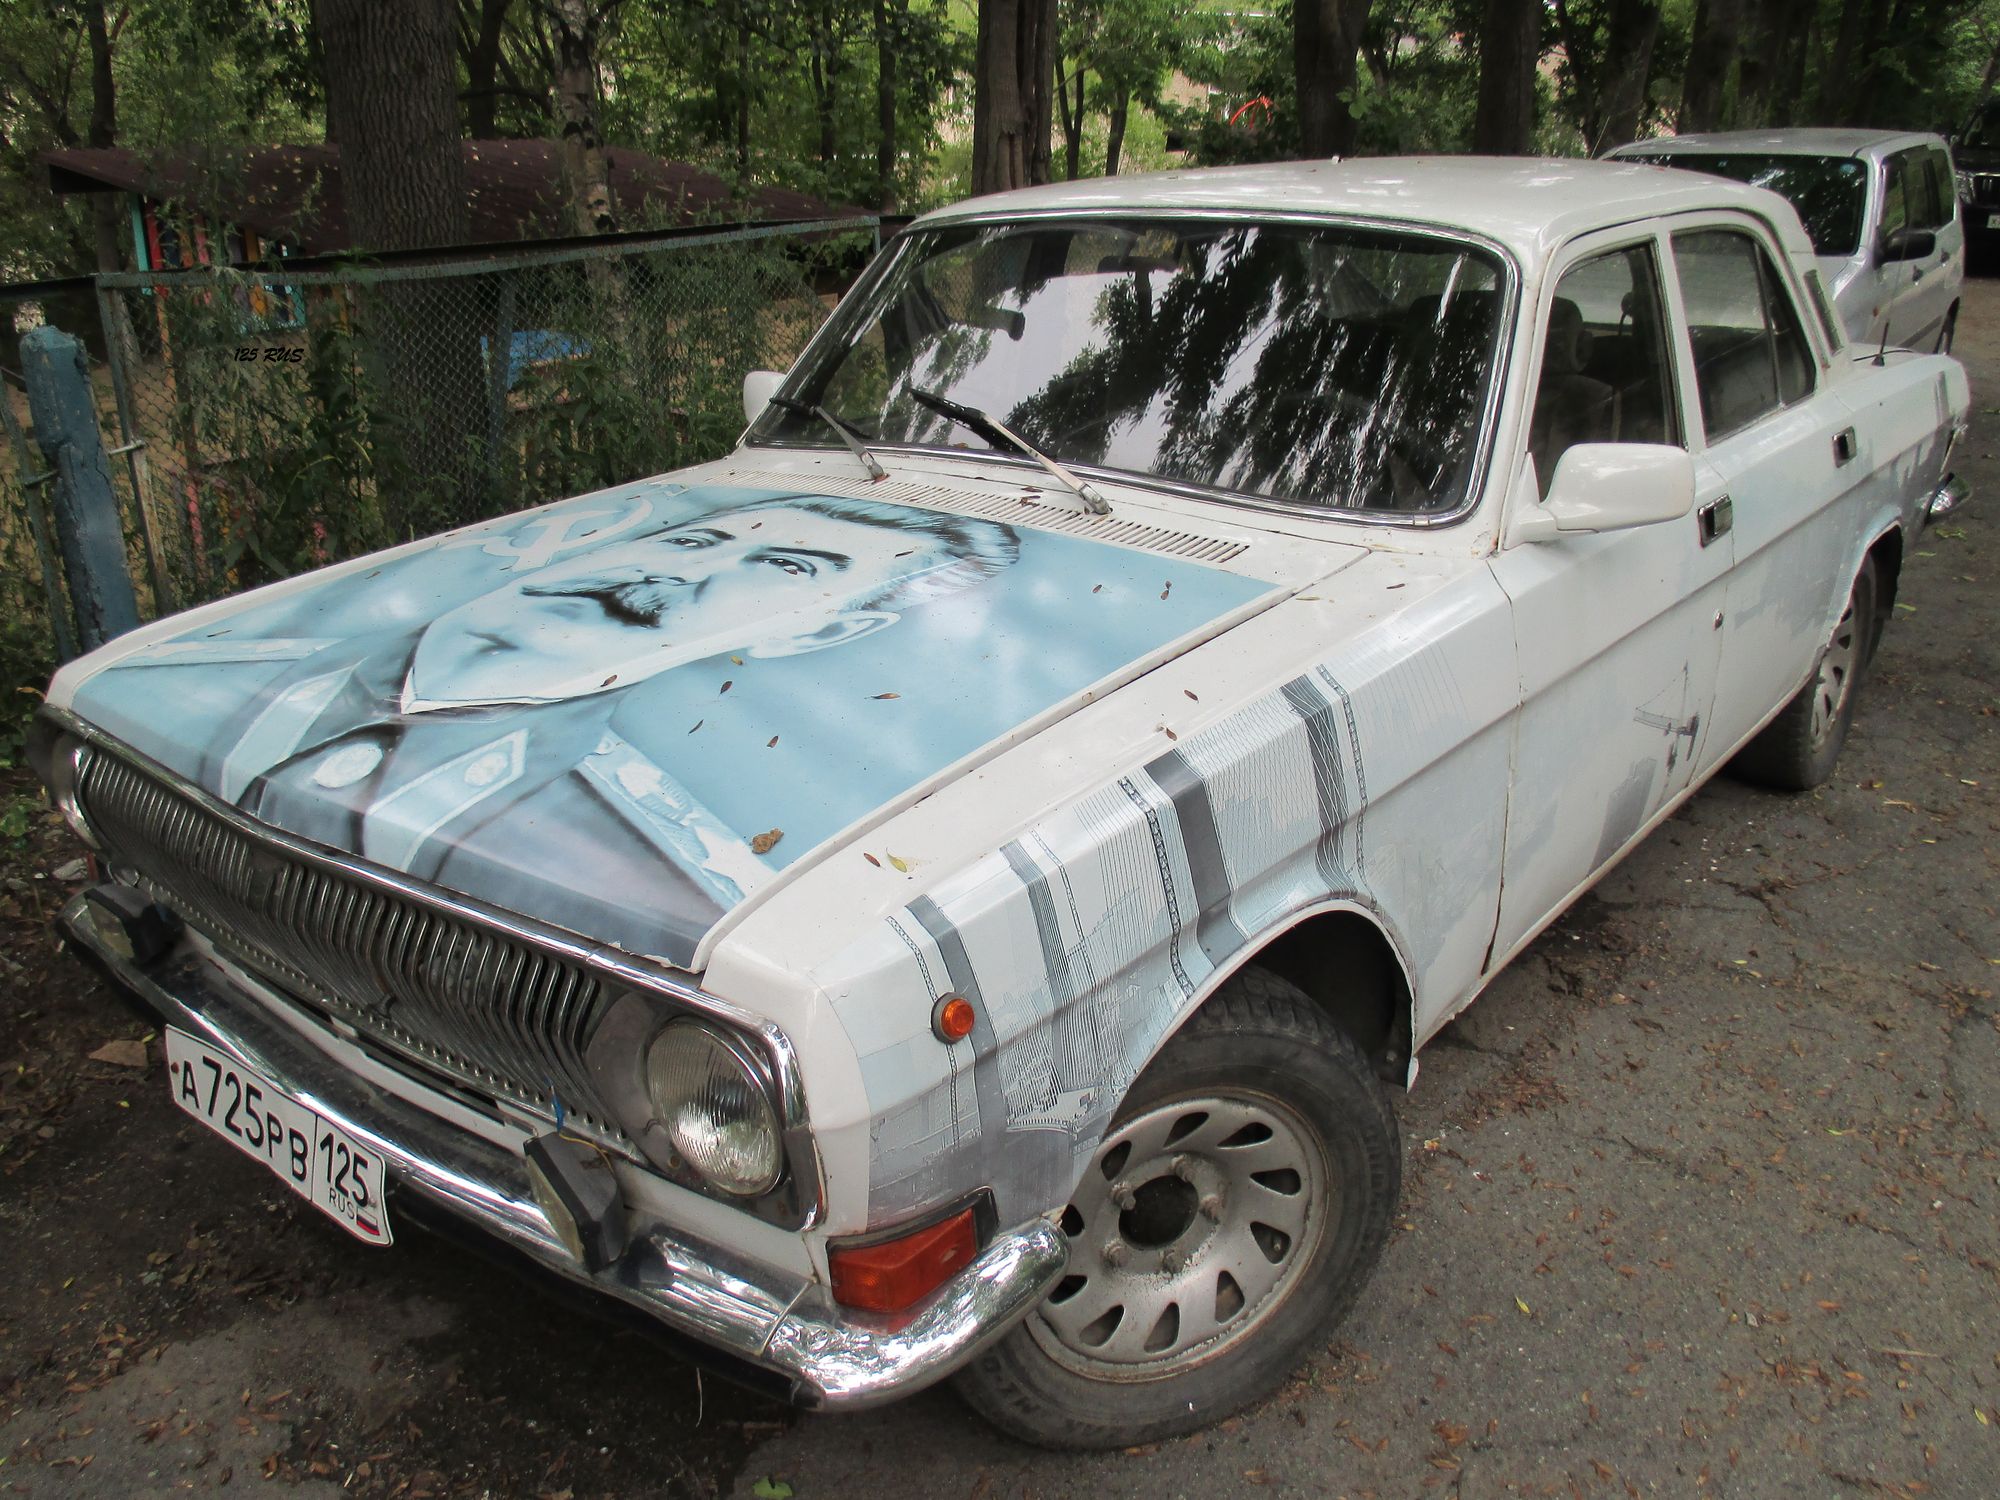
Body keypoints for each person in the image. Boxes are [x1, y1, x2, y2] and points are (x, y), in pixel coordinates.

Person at [99, 492, 1021, 964]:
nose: (666, 582)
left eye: (783, 567)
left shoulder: (660, 876)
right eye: (698, 540)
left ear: (820, 628)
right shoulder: (176, 679)